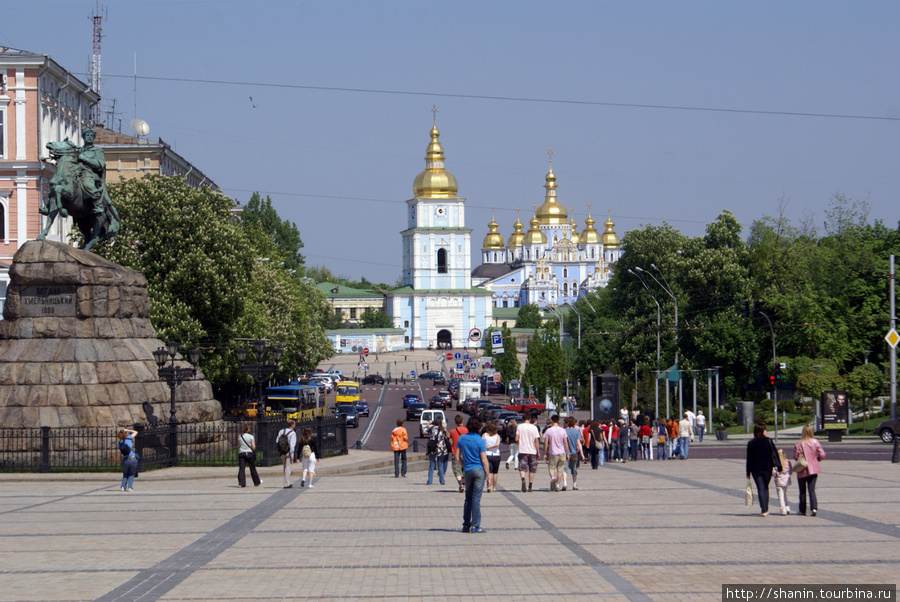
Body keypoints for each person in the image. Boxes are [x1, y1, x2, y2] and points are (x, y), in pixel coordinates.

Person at [455, 417, 491, 533]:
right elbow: (484, 461)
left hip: (468, 470)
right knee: (476, 499)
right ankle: (475, 525)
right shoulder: (480, 440)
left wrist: (464, 465)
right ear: (479, 427)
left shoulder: (462, 438)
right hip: (479, 470)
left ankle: (466, 524)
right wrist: (488, 476)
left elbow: (456, 456)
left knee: (468, 498)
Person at [746, 423, 780, 516]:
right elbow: (775, 454)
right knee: (765, 487)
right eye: (765, 429)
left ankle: (764, 509)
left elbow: (749, 459)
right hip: (767, 468)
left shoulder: (751, 443)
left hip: (755, 469)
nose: (766, 431)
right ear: (762, 431)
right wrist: (779, 467)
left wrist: (748, 472)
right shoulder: (768, 441)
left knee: (760, 489)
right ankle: (766, 507)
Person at [794, 424, 826, 517]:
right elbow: (822, 454)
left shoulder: (798, 443)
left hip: (802, 469)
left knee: (802, 490)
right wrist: (817, 459)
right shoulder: (815, 442)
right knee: (811, 490)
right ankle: (814, 508)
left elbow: (796, 457)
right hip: (813, 469)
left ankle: (802, 510)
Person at [516, 413, 541, 492]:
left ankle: (523, 479)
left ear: (523, 419)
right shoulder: (534, 428)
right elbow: (536, 440)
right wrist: (538, 451)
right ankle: (530, 485)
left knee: (522, 467)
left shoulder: (519, 427)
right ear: (530, 419)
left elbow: (516, 438)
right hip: (532, 451)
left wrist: (520, 442)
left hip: (523, 450)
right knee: (532, 469)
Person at [543, 415, 568, 491]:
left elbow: (546, 443)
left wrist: (544, 454)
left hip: (552, 452)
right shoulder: (563, 430)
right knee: (560, 470)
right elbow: (565, 443)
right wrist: (567, 453)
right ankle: (557, 485)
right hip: (561, 452)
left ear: (551, 421)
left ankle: (553, 478)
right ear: (559, 421)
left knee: (551, 468)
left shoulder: (548, 431)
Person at [426, 418, 450, 486]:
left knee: (432, 464)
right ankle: (442, 480)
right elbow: (448, 434)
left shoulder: (432, 428)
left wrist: (428, 424)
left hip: (433, 447)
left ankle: (430, 481)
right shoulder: (443, 429)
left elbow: (424, 431)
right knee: (440, 464)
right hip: (441, 448)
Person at [564, 417, 585, 490]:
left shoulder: (564, 431)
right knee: (574, 469)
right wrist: (582, 454)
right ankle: (574, 484)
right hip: (574, 453)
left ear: (568, 423)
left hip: (565, 452)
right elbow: (579, 443)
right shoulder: (576, 432)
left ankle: (565, 483)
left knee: (564, 469)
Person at [448, 414, 469, 492]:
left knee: (457, 470)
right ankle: (463, 484)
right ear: (462, 421)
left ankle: (460, 484)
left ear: (455, 422)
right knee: (464, 469)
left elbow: (451, 441)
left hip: (455, 452)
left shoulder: (452, 431)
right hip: (465, 452)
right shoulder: (466, 430)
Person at [278, 419, 297, 488]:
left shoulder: (281, 431)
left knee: (284, 467)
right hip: (288, 452)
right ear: (292, 425)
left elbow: (277, 441)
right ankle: (287, 483)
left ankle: (286, 482)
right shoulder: (293, 433)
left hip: (282, 452)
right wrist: (292, 454)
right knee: (288, 467)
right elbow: (292, 445)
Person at [482, 422, 501, 492]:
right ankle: (494, 487)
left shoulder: (485, 435)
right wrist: (492, 447)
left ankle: (488, 486)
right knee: (495, 472)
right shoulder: (497, 436)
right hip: (496, 455)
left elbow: (480, 442)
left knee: (488, 471)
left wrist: (487, 447)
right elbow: (497, 444)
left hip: (487, 454)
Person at [774, 449, 792, 516]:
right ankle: (787, 508)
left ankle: (782, 510)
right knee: (784, 494)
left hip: (779, 481)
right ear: (784, 454)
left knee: (780, 496)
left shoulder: (776, 464)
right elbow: (790, 471)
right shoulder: (788, 462)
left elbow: (774, 472)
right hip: (786, 481)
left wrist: (776, 476)